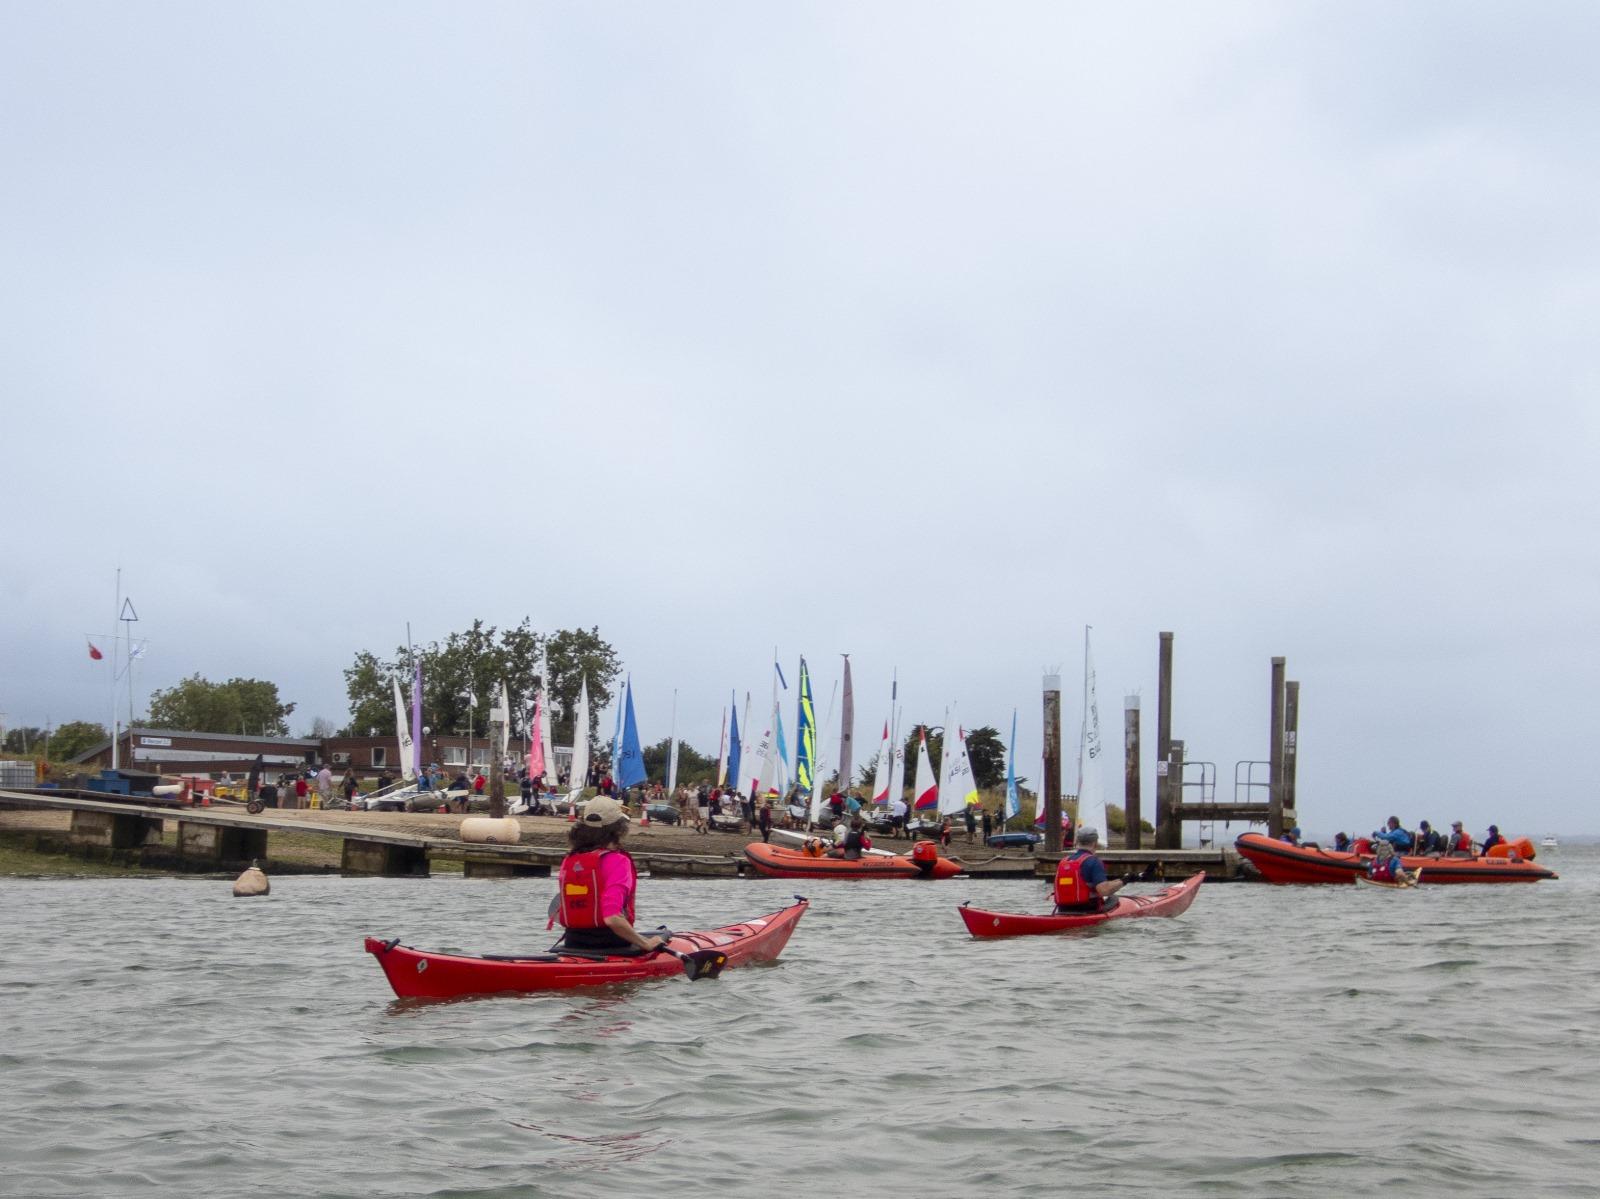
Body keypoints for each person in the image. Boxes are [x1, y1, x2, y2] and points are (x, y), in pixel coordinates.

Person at [549, 797, 665, 954]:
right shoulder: (618, 861)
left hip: (573, 943)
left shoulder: (569, 860)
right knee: (663, 936)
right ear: (618, 829)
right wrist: (645, 944)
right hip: (611, 945)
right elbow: (612, 918)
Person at [1053, 827, 1124, 913]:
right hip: (1088, 909)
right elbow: (1104, 890)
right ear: (1095, 843)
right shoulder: (1094, 861)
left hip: (1063, 909)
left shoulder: (1064, 861)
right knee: (1113, 898)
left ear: (1077, 842)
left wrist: (1119, 880)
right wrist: (1124, 881)